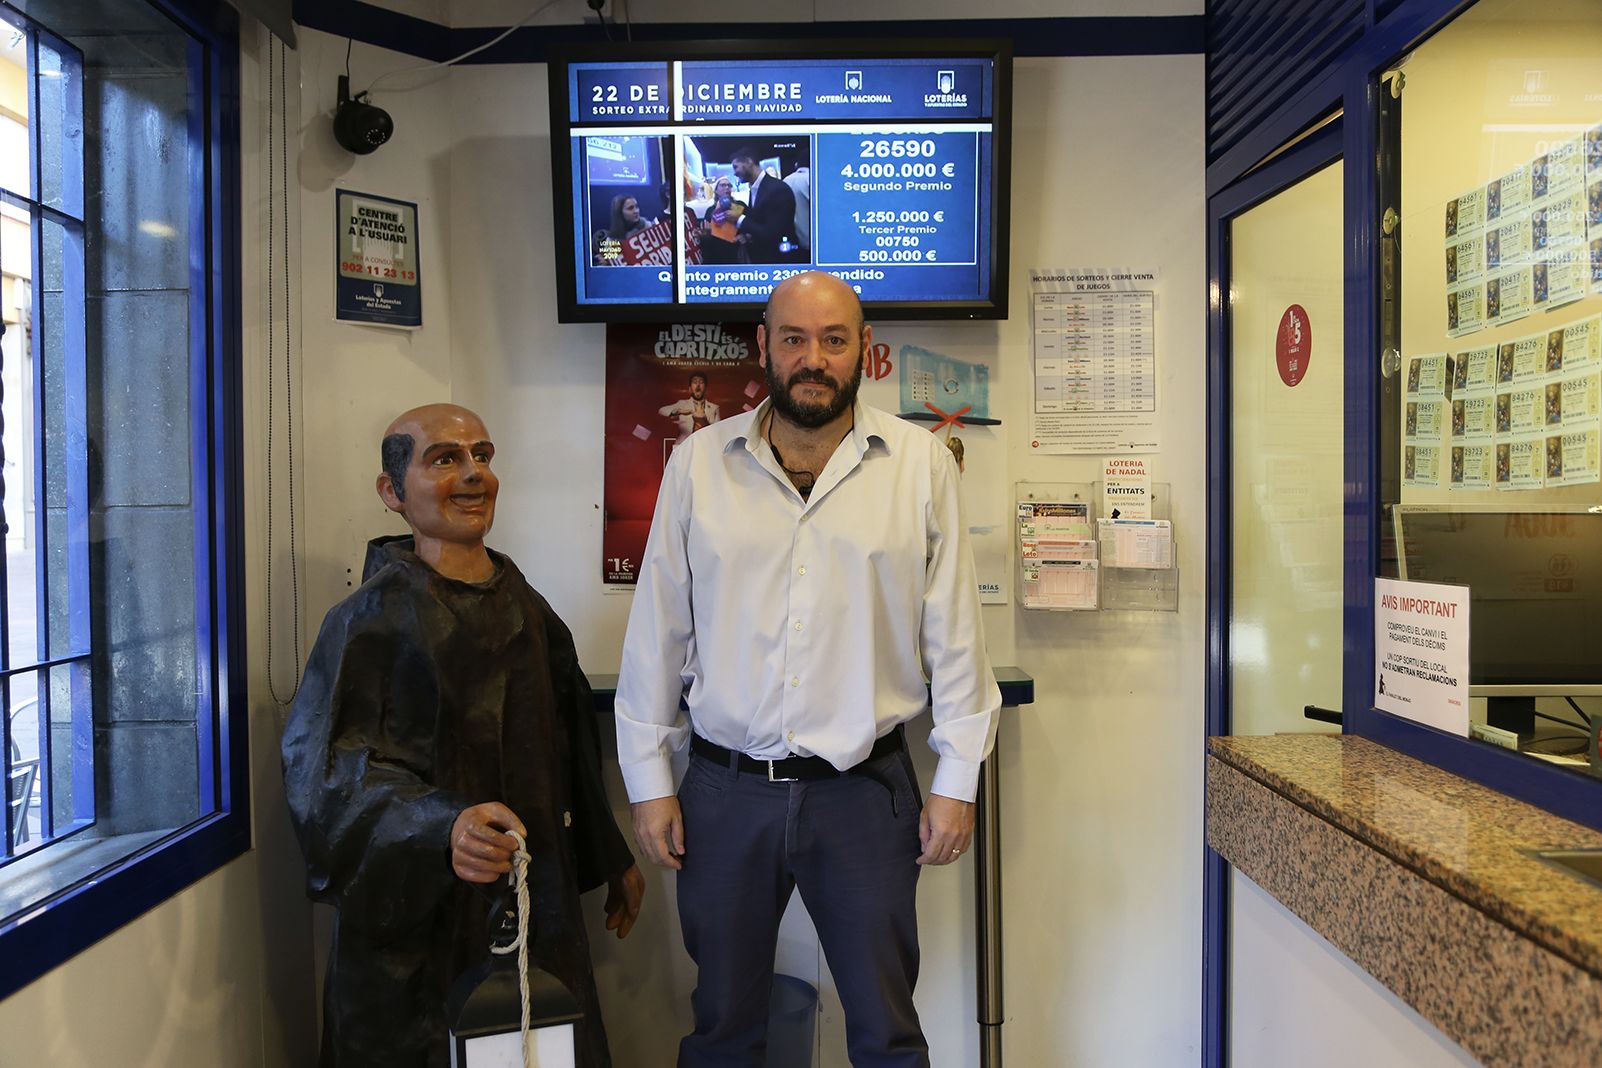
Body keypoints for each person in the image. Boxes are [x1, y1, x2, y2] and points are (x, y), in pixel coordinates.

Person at [615, 272, 1000, 1067]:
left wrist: (956, 782)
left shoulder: (921, 465)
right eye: (793, 338)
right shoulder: (697, 465)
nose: (813, 357)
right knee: (722, 1025)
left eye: (834, 339)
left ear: (865, 349)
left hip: (865, 794)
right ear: (763, 347)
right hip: (724, 795)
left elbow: (956, 636)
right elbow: (659, 632)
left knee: (888, 1030)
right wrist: (650, 782)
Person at [282, 403, 644, 1068]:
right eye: (445, 459)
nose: (474, 474)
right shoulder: (368, 624)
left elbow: (567, 749)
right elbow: (327, 776)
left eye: (483, 455)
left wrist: (606, 852)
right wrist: (438, 825)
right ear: (392, 492)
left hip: (534, 903)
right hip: (415, 932)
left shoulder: (530, 612)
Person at [731, 147, 797, 263]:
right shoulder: (754, 188)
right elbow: (760, 222)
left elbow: (774, 233)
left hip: (777, 262)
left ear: (748, 161)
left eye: (736, 167)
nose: (734, 173)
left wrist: (740, 219)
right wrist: (748, 236)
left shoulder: (778, 189)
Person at [659, 370, 721, 442]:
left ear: (706, 388)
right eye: (694, 382)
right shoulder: (682, 404)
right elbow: (662, 411)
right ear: (690, 388)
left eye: (701, 382)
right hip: (684, 446)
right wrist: (679, 411)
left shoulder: (714, 408)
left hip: (705, 446)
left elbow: (718, 431)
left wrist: (704, 421)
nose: (698, 385)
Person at [700, 176, 744, 265]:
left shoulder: (740, 205)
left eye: (729, 185)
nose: (727, 188)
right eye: (723, 185)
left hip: (736, 252)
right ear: (716, 190)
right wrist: (706, 234)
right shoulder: (710, 210)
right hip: (716, 254)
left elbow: (750, 225)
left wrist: (744, 236)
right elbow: (706, 238)